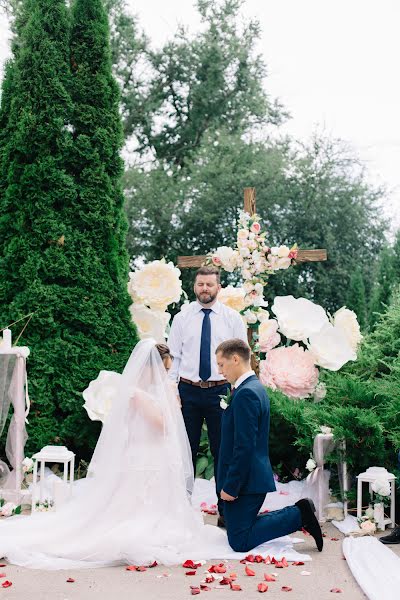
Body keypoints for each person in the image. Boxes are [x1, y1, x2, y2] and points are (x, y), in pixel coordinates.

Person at [0, 340, 226, 569]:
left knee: (160, 501)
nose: (165, 374)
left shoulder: (161, 390)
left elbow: (169, 424)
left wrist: (169, 399)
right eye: (162, 369)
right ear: (149, 369)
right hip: (140, 456)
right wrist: (164, 399)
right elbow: (159, 423)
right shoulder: (135, 393)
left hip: (159, 455)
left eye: (167, 370)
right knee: (133, 505)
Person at [215, 338, 324, 553]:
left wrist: (231, 486)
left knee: (239, 541)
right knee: (236, 529)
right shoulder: (251, 387)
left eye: (221, 364)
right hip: (248, 478)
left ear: (235, 359)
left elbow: (244, 446)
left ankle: (299, 515)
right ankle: (299, 512)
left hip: (246, 481)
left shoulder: (246, 393)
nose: (220, 371)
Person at [168, 266, 247, 525]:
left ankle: (225, 509)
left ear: (218, 288)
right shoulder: (182, 318)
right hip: (187, 391)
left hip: (220, 391)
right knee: (184, 450)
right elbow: (174, 357)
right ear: (194, 286)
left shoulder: (232, 319)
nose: (205, 289)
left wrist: (237, 388)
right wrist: (172, 390)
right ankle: (180, 507)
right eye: (200, 284)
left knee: (222, 450)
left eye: (209, 285)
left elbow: (241, 358)